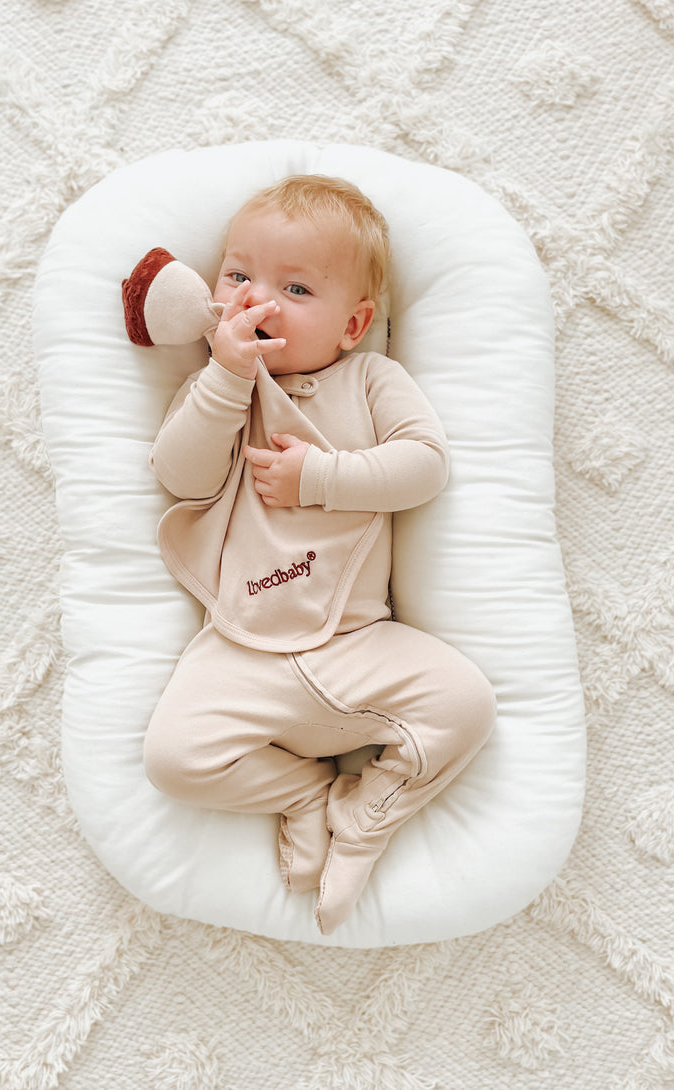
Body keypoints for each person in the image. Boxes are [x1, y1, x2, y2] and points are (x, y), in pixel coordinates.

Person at [139, 175, 496, 934]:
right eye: (237, 277)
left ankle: (365, 815)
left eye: (295, 287)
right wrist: (227, 377)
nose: (255, 301)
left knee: (466, 702)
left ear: (353, 323)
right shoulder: (220, 391)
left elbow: (424, 464)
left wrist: (321, 477)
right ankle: (302, 792)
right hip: (240, 646)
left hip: (357, 642)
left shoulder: (370, 378)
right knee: (173, 760)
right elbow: (181, 475)